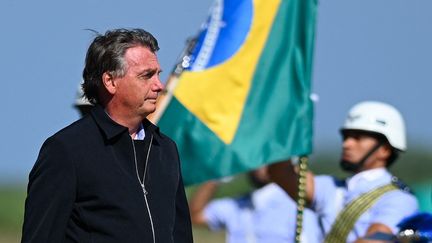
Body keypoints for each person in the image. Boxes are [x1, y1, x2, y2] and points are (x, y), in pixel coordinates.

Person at [21, 28, 193, 243]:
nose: (159, 85)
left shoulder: (165, 149)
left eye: (158, 74)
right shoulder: (66, 150)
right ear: (110, 81)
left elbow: (181, 235)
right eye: (146, 75)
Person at [268, 101, 418, 243]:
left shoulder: (399, 198)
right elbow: (280, 173)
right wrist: (285, 123)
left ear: (385, 150)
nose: (346, 144)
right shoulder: (332, 187)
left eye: (357, 137)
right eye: (346, 137)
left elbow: (376, 240)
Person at [189, 166, 323, 243]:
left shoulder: (297, 206)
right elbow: (194, 215)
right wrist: (216, 177)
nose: (259, 165)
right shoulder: (238, 205)